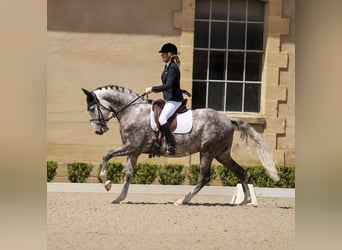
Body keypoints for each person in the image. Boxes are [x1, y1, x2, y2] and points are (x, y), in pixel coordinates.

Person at [145, 43, 183, 155]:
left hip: (174, 100)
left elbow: (168, 85)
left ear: (170, 54)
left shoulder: (173, 68)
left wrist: (153, 89)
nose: (161, 55)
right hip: (168, 98)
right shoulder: (167, 66)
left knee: (162, 119)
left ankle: (171, 145)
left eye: (163, 53)